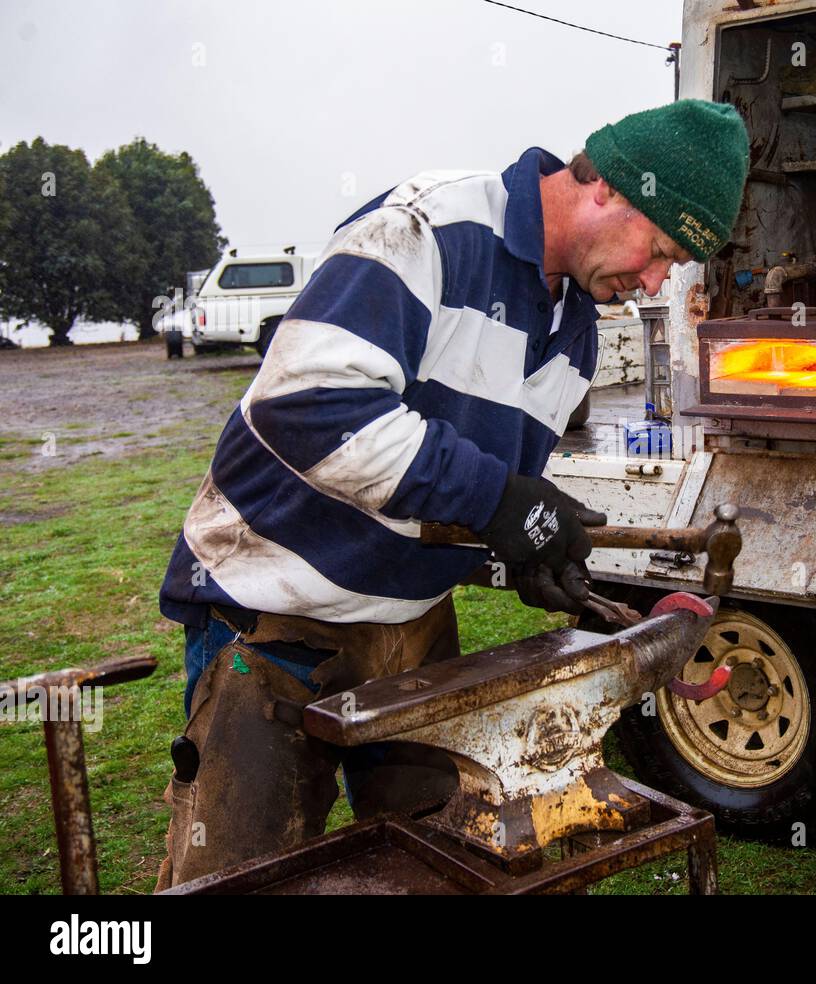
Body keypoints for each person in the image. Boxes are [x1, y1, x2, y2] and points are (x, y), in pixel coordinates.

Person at [151, 99, 750, 889]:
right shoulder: (428, 229)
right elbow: (309, 409)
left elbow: (461, 496)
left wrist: (526, 554)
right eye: (661, 250)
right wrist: (501, 500)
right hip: (274, 614)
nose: (654, 280)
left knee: (446, 868)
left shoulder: (575, 328)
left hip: (409, 629)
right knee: (234, 878)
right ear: (605, 186)